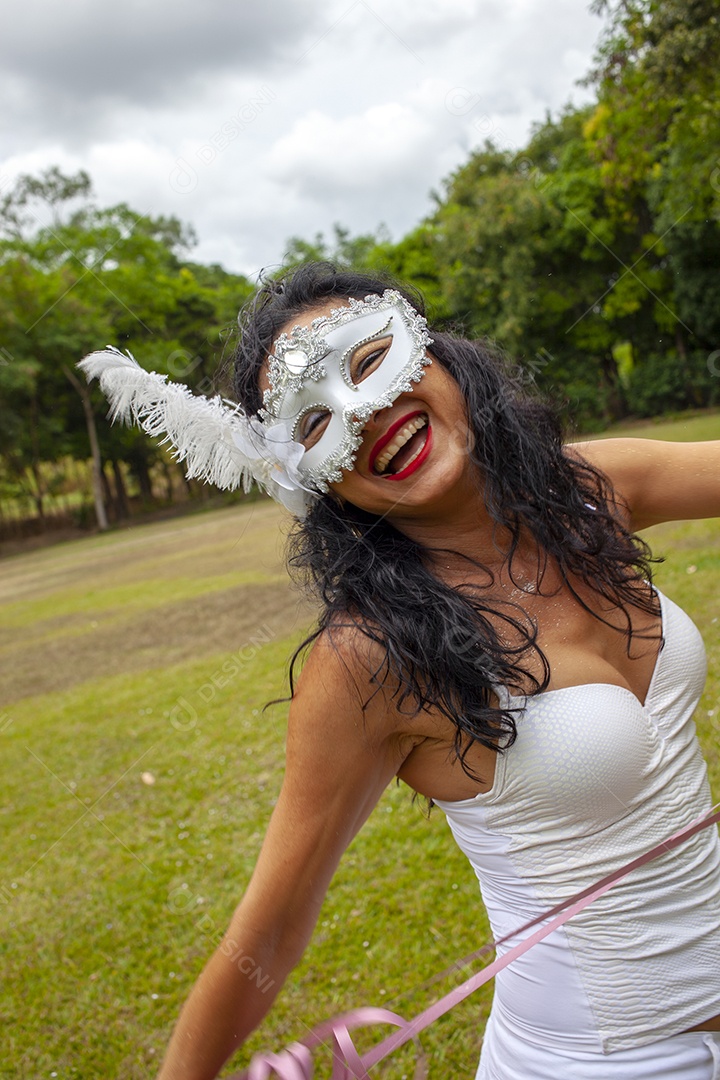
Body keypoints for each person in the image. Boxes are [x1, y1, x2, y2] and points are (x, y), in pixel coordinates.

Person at [81, 262, 720, 1079]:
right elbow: (268, 934)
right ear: (303, 482)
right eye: (312, 422)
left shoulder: (592, 492)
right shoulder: (370, 659)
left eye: (366, 360)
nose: (366, 408)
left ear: (438, 354)